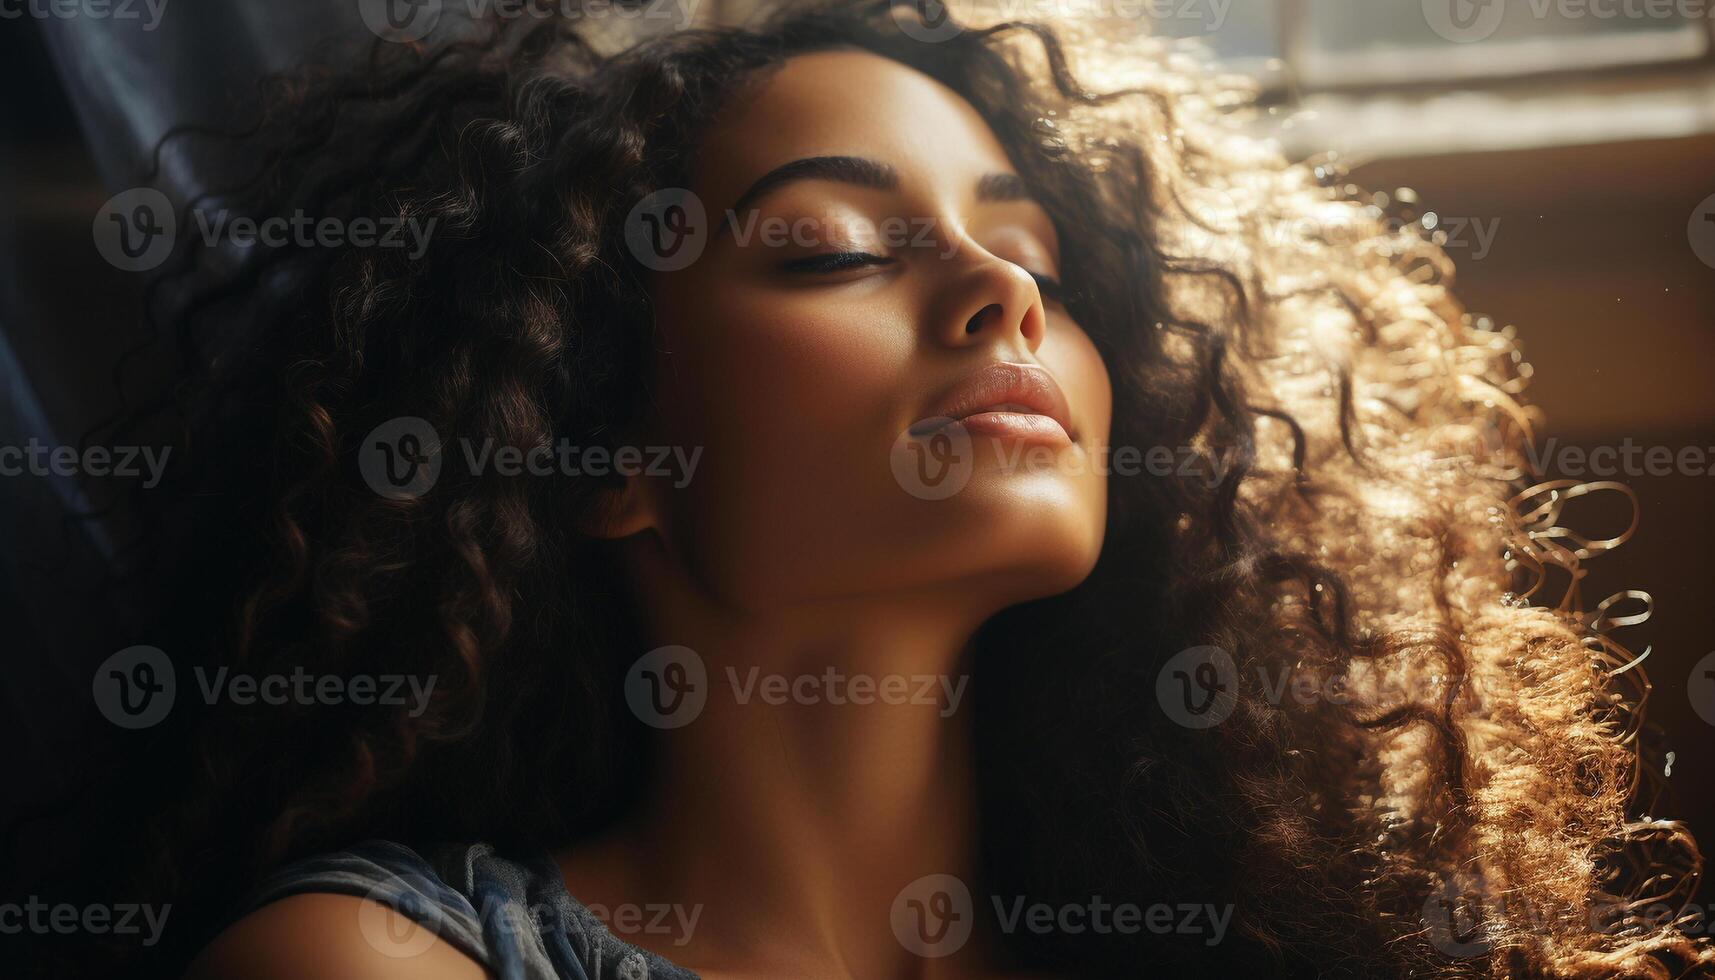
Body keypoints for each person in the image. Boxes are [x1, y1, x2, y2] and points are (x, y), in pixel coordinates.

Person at [55, 1, 1713, 977]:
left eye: (1041, 258)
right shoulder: (376, 968)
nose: (1000, 288)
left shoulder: (1238, 943)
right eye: (831, 248)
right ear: (608, 456)